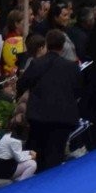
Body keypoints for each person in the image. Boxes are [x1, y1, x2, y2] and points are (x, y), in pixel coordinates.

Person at [17, 30, 80, 173]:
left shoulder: (37, 64)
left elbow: (22, 84)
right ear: (63, 46)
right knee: (56, 156)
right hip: (63, 118)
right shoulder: (71, 67)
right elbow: (78, 90)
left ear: (47, 44)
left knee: (38, 155)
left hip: (39, 117)